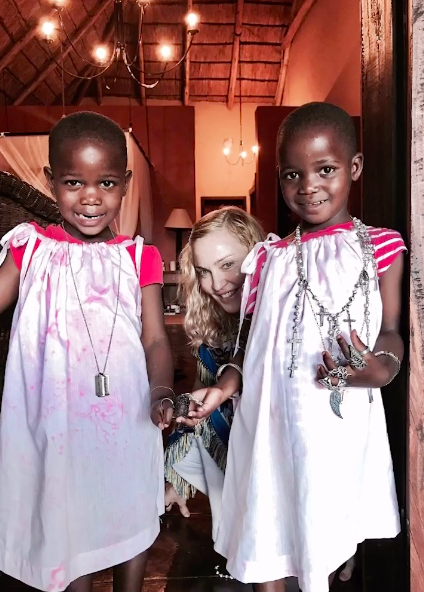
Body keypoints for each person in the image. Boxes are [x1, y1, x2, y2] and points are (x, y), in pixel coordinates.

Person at [184, 103, 406, 592]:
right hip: (266, 427)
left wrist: (379, 370)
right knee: (270, 544)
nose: (308, 186)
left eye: (325, 170)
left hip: (333, 433)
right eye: (292, 174)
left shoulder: (384, 248)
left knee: (318, 537)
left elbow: (391, 332)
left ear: (354, 168)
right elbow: (247, 349)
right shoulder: (268, 259)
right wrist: (221, 391)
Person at [0, 112, 174, 592]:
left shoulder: (139, 257)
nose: (91, 197)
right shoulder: (28, 249)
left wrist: (161, 390)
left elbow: (156, 338)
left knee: (128, 512)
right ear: (50, 180)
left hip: (126, 420)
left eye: (107, 183)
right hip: (58, 425)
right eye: (74, 182)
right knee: (69, 529)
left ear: (125, 183)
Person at [164, 207, 265, 542]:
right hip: (235, 449)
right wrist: (176, 479)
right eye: (203, 271)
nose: (216, 284)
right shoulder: (213, 320)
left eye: (227, 264)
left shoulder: (284, 314)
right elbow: (200, 388)